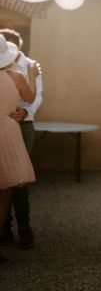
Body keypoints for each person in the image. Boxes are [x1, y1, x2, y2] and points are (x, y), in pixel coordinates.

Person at [0, 28, 43, 249]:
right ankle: (4, 230)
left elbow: (37, 98)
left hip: (22, 127)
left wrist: (25, 112)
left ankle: (24, 227)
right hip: (6, 126)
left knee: (18, 179)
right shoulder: (12, 72)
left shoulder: (30, 65)